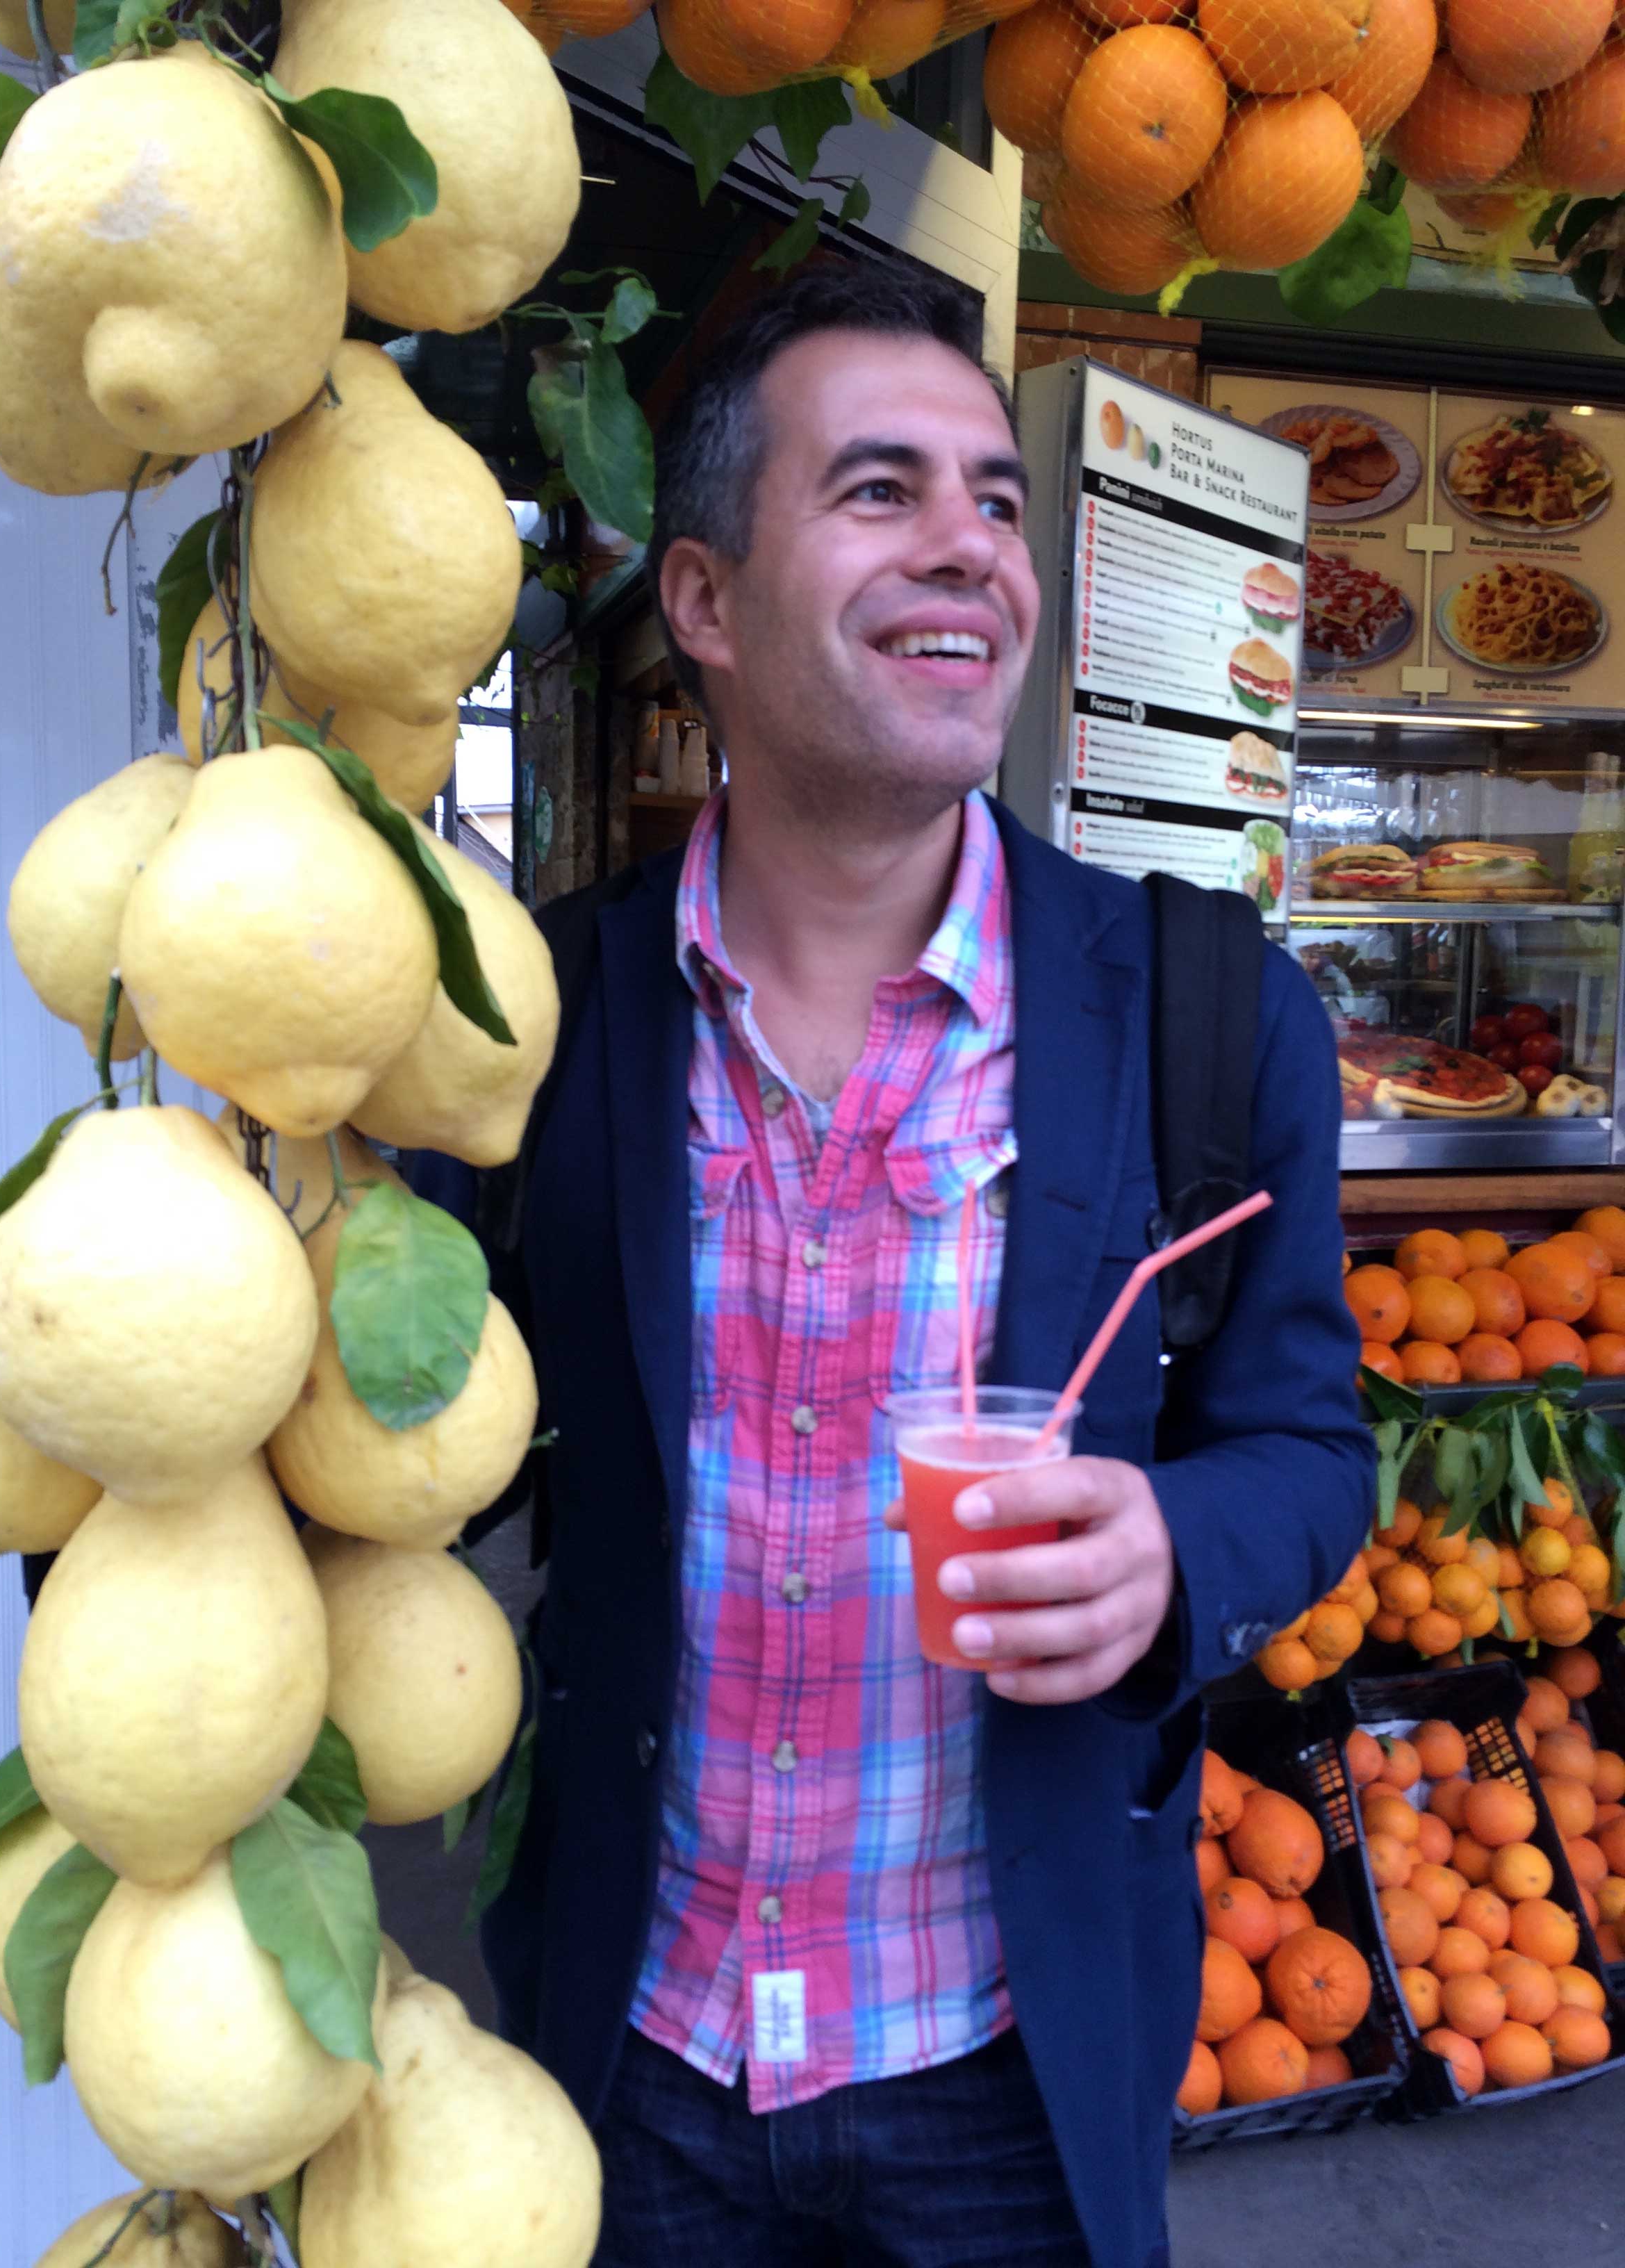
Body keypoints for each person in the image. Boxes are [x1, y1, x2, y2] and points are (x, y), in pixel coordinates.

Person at [441, 264, 1372, 2267]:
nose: (971, 544)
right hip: (639, 2048)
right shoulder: (542, 1023)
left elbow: (1310, 1451)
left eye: (996, 501)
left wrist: (1172, 1549)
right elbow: (395, 1431)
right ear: (705, 600)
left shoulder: (1210, 1014)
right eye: (880, 489)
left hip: (1010, 2074)